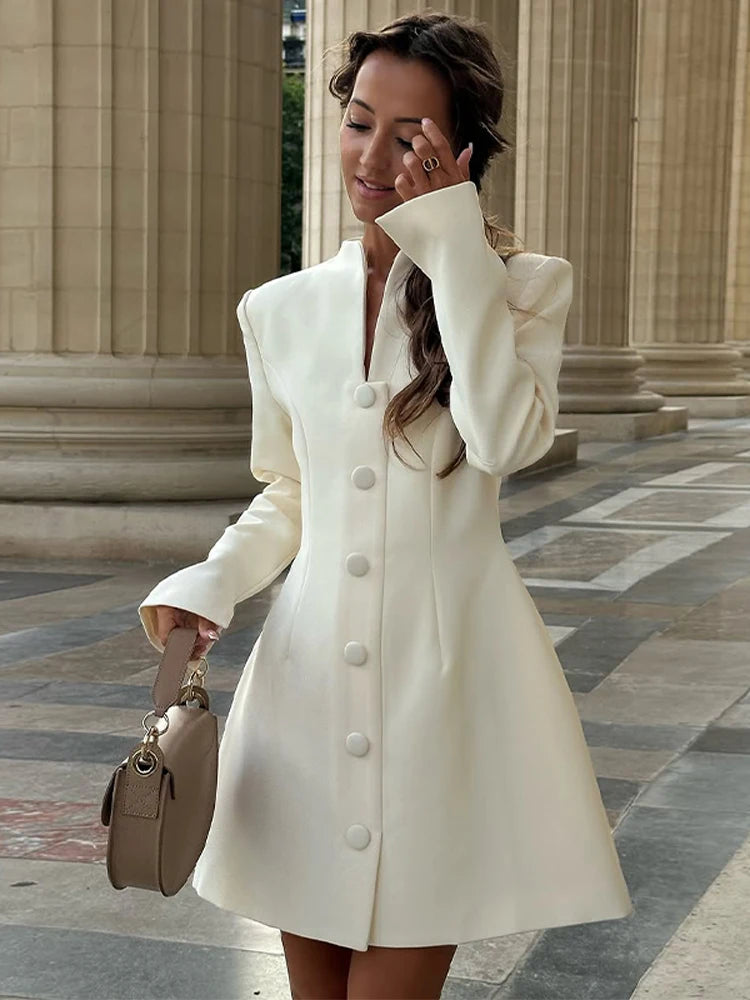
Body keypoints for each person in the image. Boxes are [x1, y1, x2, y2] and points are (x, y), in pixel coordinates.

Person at [137, 12, 633, 999]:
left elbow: (507, 441)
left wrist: (453, 251)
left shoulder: (523, 285)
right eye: (360, 120)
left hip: (445, 692)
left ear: (460, 154)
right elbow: (290, 492)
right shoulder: (277, 309)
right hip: (304, 693)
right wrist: (211, 581)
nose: (373, 155)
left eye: (409, 137)